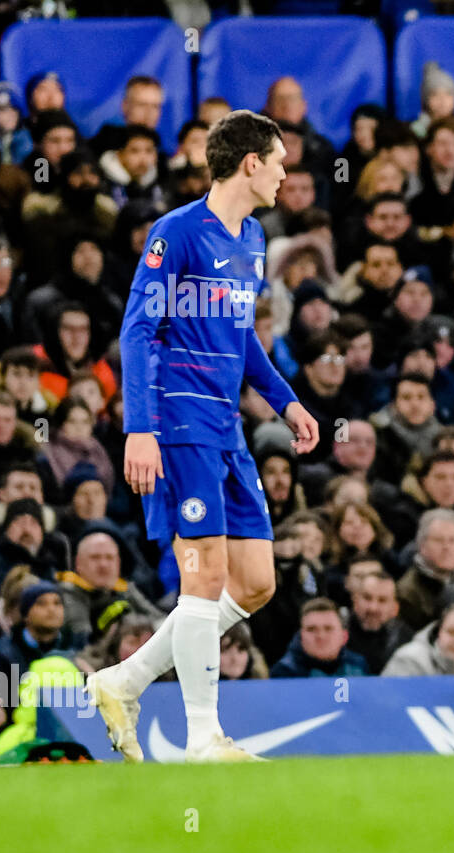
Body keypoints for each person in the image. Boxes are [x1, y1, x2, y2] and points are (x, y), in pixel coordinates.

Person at [87, 110, 320, 764]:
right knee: (205, 575)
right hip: (178, 420)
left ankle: (125, 680)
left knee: (254, 582)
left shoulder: (250, 241)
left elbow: (240, 336)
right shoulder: (175, 234)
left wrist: (286, 399)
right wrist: (139, 429)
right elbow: (138, 331)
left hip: (228, 425)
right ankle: (202, 738)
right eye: (278, 161)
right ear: (250, 162)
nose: (283, 173)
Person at [270, 597, 367, 678]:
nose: (320, 636)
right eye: (311, 629)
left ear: (344, 636)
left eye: (328, 629)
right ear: (301, 636)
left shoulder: (358, 666)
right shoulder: (284, 673)